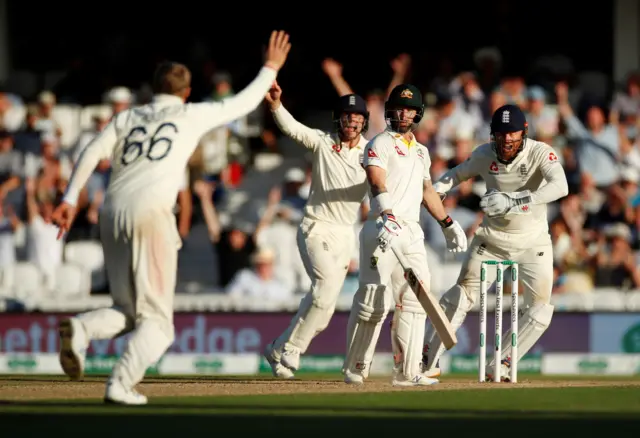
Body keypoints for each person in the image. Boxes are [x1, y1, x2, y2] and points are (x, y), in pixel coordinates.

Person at [51, 30, 292, 405]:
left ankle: (82, 329)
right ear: (185, 91)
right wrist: (271, 67)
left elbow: (90, 151)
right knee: (159, 325)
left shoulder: (128, 117)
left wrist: (68, 198)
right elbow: (244, 102)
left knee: (128, 310)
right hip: (152, 212)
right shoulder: (190, 113)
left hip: (112, 211)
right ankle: (121, 383)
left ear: (153, 88)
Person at [421, 104, 568, 381]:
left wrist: (515, 199)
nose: (506, 140)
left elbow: (561, 186)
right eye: (501, 135)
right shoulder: (484, 154)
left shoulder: (539, 153)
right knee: (460, 296)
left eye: (512, 134)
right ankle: (426, 359)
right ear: (493, 135)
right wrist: (437, 187)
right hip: (492, 240)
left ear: (523, 133)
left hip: (533, 242)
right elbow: (458, 173)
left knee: (540, 311)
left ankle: (500, 365)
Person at [343, 84, 468, 387]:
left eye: (409, 109)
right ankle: (356, 367)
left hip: (411, 231)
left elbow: (427, 191)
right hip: (381, 226)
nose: (403, 113)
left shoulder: (423, 152)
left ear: (418, 113)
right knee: (374, 300)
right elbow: (376, 180)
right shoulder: (378, 143)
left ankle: (408, 371)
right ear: (390, 110)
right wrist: (386, 211)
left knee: (415, 300)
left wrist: (448, 223)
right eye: (399, 107)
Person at [262, 81, 370, 378]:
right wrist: (275, 105)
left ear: (364, 121)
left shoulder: (370, 153)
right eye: (347, 117)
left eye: (357, 118)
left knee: (323, 309)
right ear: (339, 119)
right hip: (316, 227)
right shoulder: (323, 142)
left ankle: (277, 348)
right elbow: (293, 128)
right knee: (322, 295)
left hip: (345, 235)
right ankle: (293, 349)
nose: (352, 122)